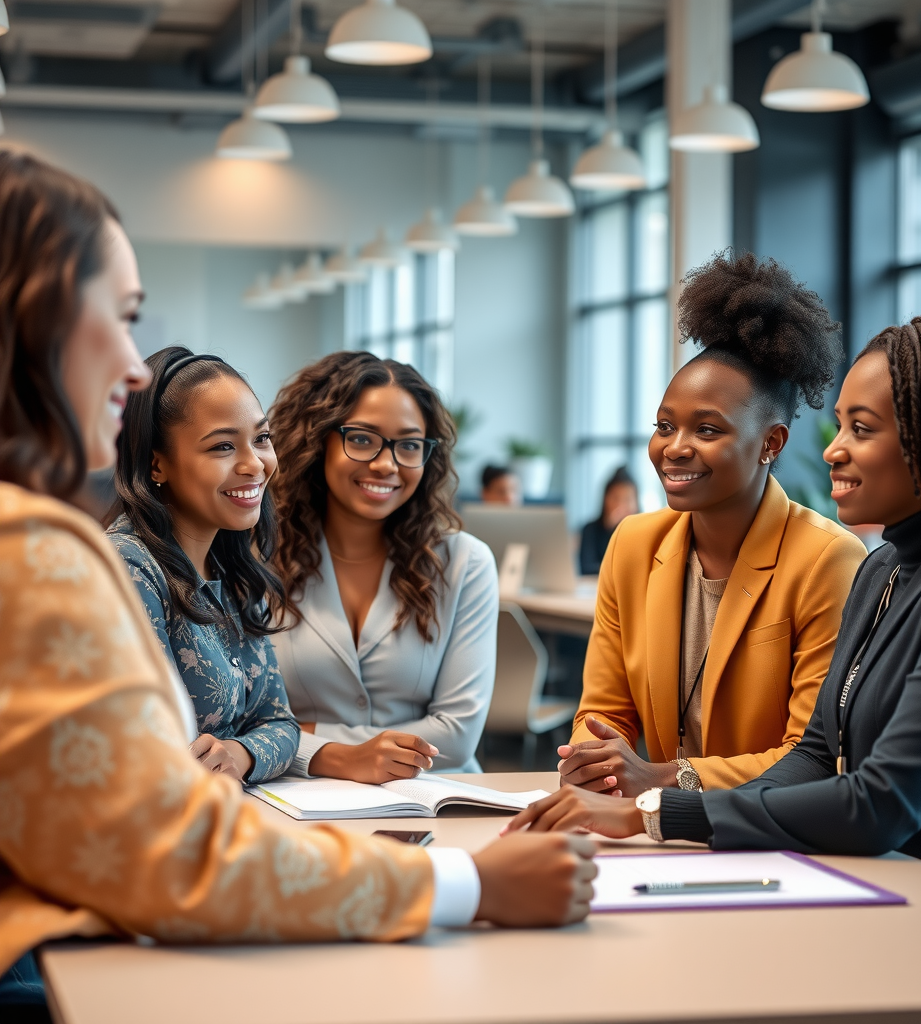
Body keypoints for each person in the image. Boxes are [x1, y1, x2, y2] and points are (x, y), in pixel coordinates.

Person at [0, 152, 597, 1008]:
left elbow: (267, 730)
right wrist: (468, 887)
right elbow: (173, 856)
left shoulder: (226, 570)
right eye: (121, 318)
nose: (133, 368)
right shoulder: (44, 556)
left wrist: (261, 749)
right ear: (34, 322)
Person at [506, 312, 921, 893]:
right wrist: (653, 807)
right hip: (870, 877)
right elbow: (814, 755)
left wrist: (652, 811)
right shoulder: (885, 566)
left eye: (862, 429)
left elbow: (881, 801)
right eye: (841, 427)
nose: (833, 451)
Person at [557, 252, 865, 797]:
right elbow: (604, 711)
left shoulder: (827, 560)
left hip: (770, 834)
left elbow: (814, 754)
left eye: (706, 430)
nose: (674, 449)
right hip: (655, 828)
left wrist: (660, 778)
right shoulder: (632, 544)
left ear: (771, 443)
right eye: (664, 426)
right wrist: (592, 755)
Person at [269, 352, 498, 780]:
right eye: (361, 439)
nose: (386, 464)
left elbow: (456, 735)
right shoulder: (260, 559)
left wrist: (307, 737)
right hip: (299, 798)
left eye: (409, 445)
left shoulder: (465, 563)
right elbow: (240, 725)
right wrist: (339, 757)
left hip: (438, 798)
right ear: (318, 440)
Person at [106, 345, 299, 784]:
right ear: (157, 463)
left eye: (262, 438)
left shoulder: (231, 572)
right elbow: (147, 748)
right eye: (223, 446)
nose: (255, 464)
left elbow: (282, 723)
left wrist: (241, 753)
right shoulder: (129, 567)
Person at [578, 465, 639, 575]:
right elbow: (587, 567)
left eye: (627, 499)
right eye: (615, 498)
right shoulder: (590, 529)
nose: (621, 505)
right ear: (605, 499)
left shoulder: (644, 531)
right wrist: (609, 529)